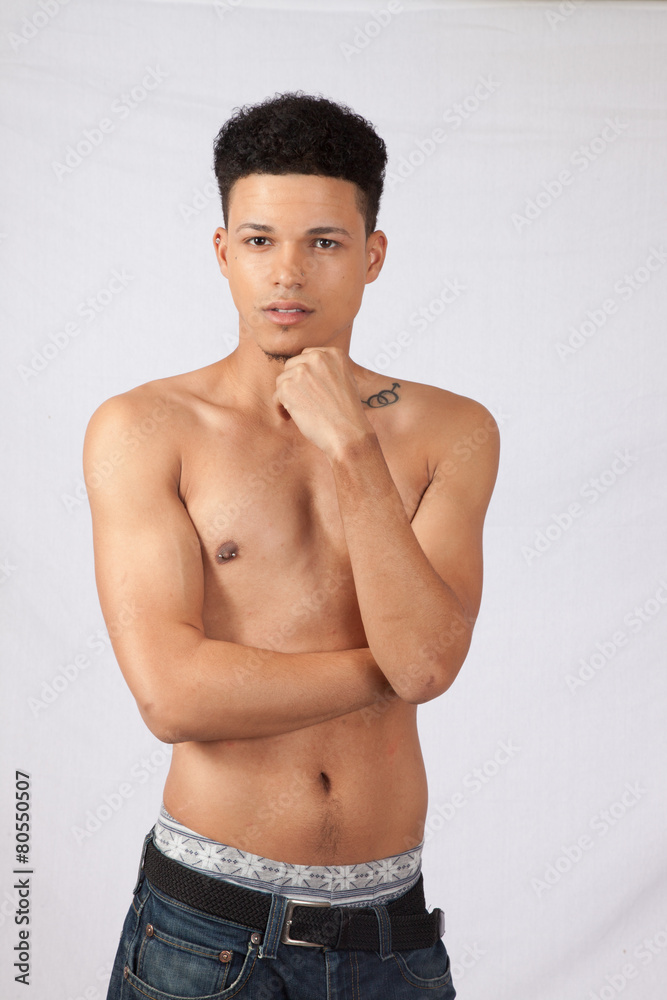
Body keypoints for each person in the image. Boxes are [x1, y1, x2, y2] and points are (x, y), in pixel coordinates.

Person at [85, 91, 499, 1000]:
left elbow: (428, 662)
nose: (288, 273)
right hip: (204, 929)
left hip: (390, 935)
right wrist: (394, 667)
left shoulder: (451, 431)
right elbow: (173, 696)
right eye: (260, 240)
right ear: (222, 251)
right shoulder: (145, 428)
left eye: (324, 242)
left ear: (371, 255)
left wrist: (352, 447)